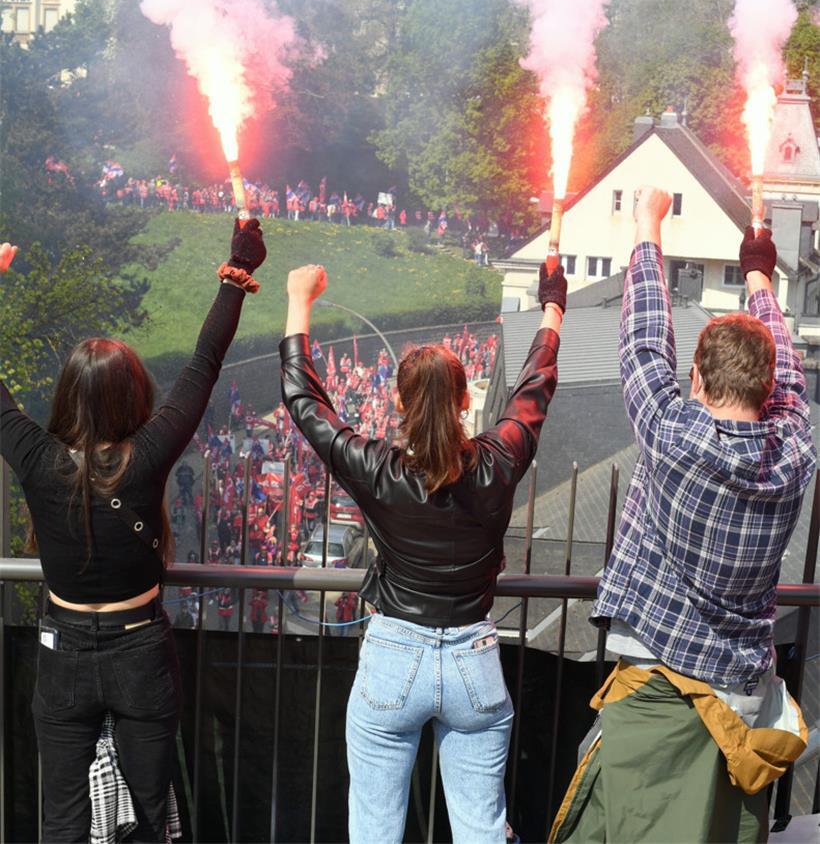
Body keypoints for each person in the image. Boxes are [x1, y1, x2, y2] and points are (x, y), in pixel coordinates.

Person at [551, 189, 815, 844]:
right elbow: (793, 379)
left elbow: (643, 342)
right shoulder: (797, 447)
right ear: (767, 389)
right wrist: (759, 274)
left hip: (658, 688)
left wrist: (647, 227)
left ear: (695, 379)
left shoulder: (672, 432)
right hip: (741, 691)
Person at [280, 259, 566, 844]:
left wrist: (298, 303)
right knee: (482, 832)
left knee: (376, 831)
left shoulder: (379, 471)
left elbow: (306, 405)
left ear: (401, 404)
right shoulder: (499, 460)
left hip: (393, 657)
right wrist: (552, 305)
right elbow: (536, 385)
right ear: (465, 401)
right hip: (474, 659)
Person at [0, 221, 265, 842]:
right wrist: (235, 272)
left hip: (60, 650)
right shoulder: (146, 455)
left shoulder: (36, 459)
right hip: (140, 648)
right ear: (133, 394)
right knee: (149, 815)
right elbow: (202, 368)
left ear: (68, 396)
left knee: (62, 820)